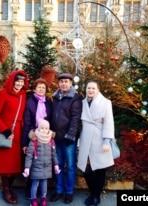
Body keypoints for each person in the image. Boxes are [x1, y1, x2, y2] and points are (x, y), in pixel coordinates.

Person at [0, 70, 28, 204]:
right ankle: (6, 189)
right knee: (5, 163)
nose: (19, 84)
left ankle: (10, 187)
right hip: (6, 131)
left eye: (22, 81)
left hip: (19, 131)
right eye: (17, 81)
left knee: (15, 163)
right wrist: (5, 131)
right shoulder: (3, 93)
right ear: (12, 81)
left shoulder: (24, 95)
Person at [77, 80, 115, 206]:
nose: (91, 90)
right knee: (86, 168)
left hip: (99, 139)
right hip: (85, 139)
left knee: (100, 169)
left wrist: (106, 141)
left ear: (98, 89)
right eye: (89, 88)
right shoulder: (82, 103)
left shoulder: (105, 103)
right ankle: (94, 193)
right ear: (86, 89)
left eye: (93, 88)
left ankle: (95, 196)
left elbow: (109, 123)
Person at [50, 73, 82, 204]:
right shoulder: (55, 97)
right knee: (58, 165)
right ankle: (58, 190)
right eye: (61, 81)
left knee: (70, 166)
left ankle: (69, 192)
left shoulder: (75, 98)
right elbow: (53, 116)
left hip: (68, 139)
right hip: (56, 137)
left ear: (71, 83)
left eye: (66, 82)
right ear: (59, 83)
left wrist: (71, 135)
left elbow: (76, 118)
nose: (64, 84)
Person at [21, 78, 53, 199]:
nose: (41, 89)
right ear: (34, 89)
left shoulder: (48, 102)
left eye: (43, 88)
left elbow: (50, 121)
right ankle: (30, 191)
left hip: (45, 137)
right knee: (33, 164)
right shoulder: (30, 102)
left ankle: (42, 192)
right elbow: (27, 123)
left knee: (44, 163)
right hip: (33, 135)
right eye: (39, 87)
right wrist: (25, 142)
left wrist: (51, 135)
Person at [23, 119, 60, 206]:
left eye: (46, 128)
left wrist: (56, 165)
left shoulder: (51, 140)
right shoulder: (34, 140)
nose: (44, 130)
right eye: (42, 128)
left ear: (49, 129)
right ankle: (33, 200)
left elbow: (54, 154)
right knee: (35, 184)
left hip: (47, 167)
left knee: (44, 184)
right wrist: (27, 167)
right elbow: (29, 155)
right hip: (36, 166)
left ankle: (43, 198)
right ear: (38, 128)